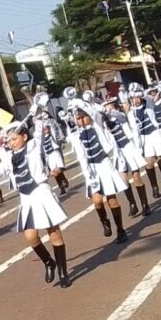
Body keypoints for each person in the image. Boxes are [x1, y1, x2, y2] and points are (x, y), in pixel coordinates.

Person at [4, 122, 72, 288]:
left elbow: (40, 133)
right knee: (31, 236)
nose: (11, 142)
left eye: (14, 138)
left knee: (54, 233)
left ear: (24, 137)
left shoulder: (33, 148)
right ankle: (49, 262)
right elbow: (0, 171)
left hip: (41, 193)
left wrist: (37, 111)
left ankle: (63, 273)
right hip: (26, 198)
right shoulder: (9, 156)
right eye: (9, 140)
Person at [67, 104, 129, 244]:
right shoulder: (77, 135)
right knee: (97, 201)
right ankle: (104, 221)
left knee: (111, 199)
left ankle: (120, 229)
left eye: (84, 117)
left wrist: (81, 103)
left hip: (104, 165)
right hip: (92, 169)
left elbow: (96, 115)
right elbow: (81, 154)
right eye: (78, 118)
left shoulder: (98, 127)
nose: (81, 120)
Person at [101, 97, 152, 217]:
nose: (108, 107)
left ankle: (145, 204)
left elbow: (120, 117)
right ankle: (132, 203)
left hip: (128, 147)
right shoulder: (103, 122)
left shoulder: (121, 115)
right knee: (124, 181)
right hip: (117, 152)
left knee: (136, 177)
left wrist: (108, 111)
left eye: (110, 105)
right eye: (107, 105)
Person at [128, 87, 161, 198]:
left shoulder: (148, 105)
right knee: (149, 163)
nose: (137, 100)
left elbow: (149, 97)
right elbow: (135, 130)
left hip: (154, 134)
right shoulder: (131, 113)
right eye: (134, 98)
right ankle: (155, 187)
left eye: (138, 97)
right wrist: (137, 145)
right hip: (144, 138)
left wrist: (140, 91)